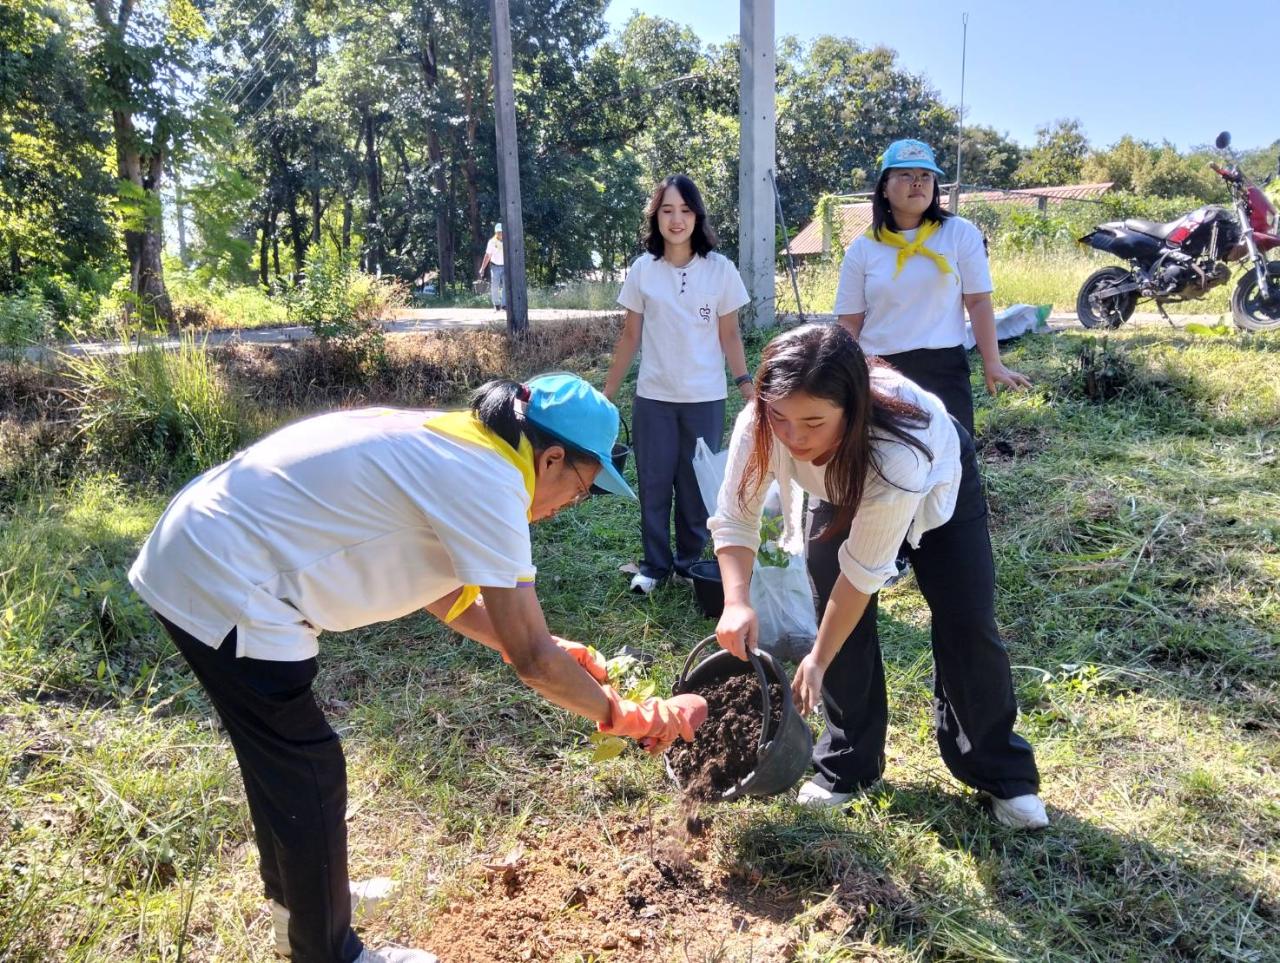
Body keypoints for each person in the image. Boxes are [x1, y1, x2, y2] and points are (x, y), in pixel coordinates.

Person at [128, 373, 708, 963]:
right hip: (226, 578)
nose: (567, 507)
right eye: (582, 489)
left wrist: (542, 645)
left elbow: (447, 595)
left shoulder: (462, 444)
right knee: (305, 768)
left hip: (201, 544)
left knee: (282, 767)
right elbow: (534, 661)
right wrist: (621, 715)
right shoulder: (492, 478)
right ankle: (327, 949)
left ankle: (311, 904)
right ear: (553, 457)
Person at [709, 324, 1047, 829]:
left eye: (813, 422)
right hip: (840, 488)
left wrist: (816, 660)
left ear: (854, 408)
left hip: (936, 486)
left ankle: (1001, 771)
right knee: (833, 613)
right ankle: (849, 765)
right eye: (781, 417)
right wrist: (736, 600)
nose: (794, 437)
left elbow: (862, 576)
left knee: (966, 618)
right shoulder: (760, 424)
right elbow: (737, 517)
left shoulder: (901, 452)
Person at [603, 174, 753, 595]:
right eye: (667, 210)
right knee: (654, 482)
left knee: (695, 485)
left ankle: (689, 563)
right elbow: (629, 336)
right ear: (656, 217)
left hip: (705, 398)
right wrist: (606, 396)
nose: (676, 219)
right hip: (654, 398)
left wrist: (745, 385)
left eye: (685, 210)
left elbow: (730, 336)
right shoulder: (642, 270)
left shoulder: (720, 269)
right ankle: (654, 566)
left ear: (697, 216)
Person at [834, 138, 1030, 438]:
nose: (917, 183)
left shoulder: (959, 234)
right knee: (890, 467)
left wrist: (993, 362)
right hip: (880, 373)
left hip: (945, 368)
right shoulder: (863, 249)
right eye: (905, 175)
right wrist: (842, 374)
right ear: (884, 188)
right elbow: (849, 322)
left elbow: (977, 302)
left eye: (925, 176)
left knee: (953, 463)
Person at [478, 222, 505, 310]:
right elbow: (487, 255)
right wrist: (482, 268)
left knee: (506, 285)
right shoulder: (492, 242)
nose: (500, 233)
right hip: (495, 266)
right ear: (495, 232)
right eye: (498, 232)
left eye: (501, 231)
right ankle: (496, 304)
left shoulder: (507, 240)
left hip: (506, 266)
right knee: (494, 285)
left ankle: (504, 304)